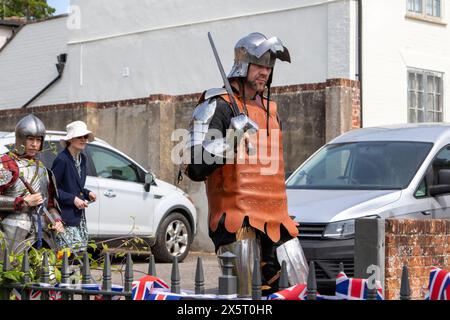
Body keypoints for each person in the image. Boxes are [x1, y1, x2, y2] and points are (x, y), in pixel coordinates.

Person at [182, 32, 308, 297]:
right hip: (236, 218)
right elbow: (193, 164)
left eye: (268, 65)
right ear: (243, 64)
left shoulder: (270, 110)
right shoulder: (216, 106)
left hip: (277, 218)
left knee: (299, 287)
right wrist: (232, 139)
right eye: (259, 63)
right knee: (246, 297)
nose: (265, 71)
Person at [0, 114, 64, 257]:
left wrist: (56, 220)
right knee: (12, 275)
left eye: (38, 140)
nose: (35, 144)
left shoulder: (43, 169)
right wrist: (21, 202)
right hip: (12, 232)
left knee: (47, 275)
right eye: (30, 139)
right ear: (21, 139)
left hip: (43, 233)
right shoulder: (6, 164)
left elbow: (50, 205)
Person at [51, 120, 96, 252]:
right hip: (65, 217)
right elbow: (53, 189)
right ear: (70, 139)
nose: (83, 140)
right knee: (66, 256)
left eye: (85, 137)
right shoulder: (61, 159)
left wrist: (87, 193)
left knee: (79, 255)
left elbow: (76, 186)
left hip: (78, 217)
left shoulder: (83, 158)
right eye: (79, 137)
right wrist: (73, 199)